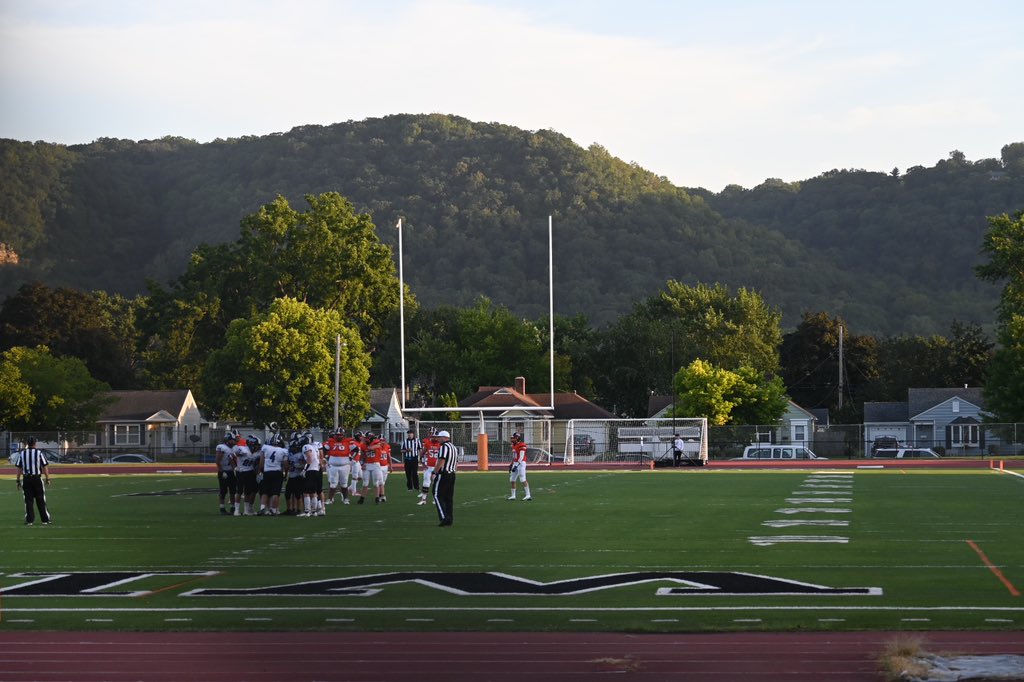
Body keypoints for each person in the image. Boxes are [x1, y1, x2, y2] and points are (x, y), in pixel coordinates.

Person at [15, 436, 52, 525]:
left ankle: (29, 520)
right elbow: (44, 466)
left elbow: (19, 468)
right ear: (35, 443)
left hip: (26, 479)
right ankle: (45, 520)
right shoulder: (39, 453)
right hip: (37, 478)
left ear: (27, 443)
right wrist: (47, 478)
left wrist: (17, 480)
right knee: (41, 499)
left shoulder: (22, 454)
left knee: (28, 500)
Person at [432, 430, 459, 527]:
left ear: (444, 438)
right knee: (448, 498)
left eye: (439, 437)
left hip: (443, 474)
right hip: (452, 474)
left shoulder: (444, 447)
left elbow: (441, 460)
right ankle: (450, 519)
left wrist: (434, 471)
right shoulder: (454, 447)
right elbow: (456, 462)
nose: (438, 439)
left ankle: (444, 517)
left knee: (437, 495)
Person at [257, 434, 287, 515]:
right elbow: (285, 464)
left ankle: (262, 508)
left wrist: (261, 470)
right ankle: (273, 510)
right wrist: (286, 473)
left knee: (265, 492)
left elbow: (261, 462)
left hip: (266, 472)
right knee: (275, 493)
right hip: (277, 472)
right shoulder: (283, 451)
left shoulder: (265, 447)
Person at [234, 436, 261, 516]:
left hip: (250, 473)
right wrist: (235, 467)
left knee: (248, 492)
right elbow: (232, 455)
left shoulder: (257, 452)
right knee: (239, 491)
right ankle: (236, 510)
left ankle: (246, 510)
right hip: (241, 472)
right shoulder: (243, 449)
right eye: (256, 445)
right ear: (251, 444)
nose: (258, 447)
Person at [215, 433, 238, 515]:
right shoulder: (222, 447)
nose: (234, 441)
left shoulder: (234, 448)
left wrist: (235, 469)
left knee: (233, 491)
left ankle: (232, 508)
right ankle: (222, 508)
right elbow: (217, 461)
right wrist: (222, 471)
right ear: (228, 440)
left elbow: (234, 461)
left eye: (234, 440)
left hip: (231, 472)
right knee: (223, 490)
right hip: (224, 472)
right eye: (232, 440)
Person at [418, 429, 441, 506]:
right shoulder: (428, 443)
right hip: (429, 467)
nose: (435, 438)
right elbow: (421, 454)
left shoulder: (441, 445)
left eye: (436, 437)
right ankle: (423, 500)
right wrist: (423, 464)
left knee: (437, 484)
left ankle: (436, 499)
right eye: (433, 436)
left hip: (437, 468)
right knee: (426, 483)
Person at [507, 432, 532, 501]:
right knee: (512, 479)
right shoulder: (514, 445)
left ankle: (528, 495)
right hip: (515, 463)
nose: (512, 439)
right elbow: (514, 456)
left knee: (522, 479)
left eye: (513, 438)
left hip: (521, 463)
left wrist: (516, 465)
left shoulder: (522, 445)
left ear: (517, 438)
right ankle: (513, 496)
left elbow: (521, 457)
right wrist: (511, 464)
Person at [401, 428, 421, 493]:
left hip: (414, 458)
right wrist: (407, 450)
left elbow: (420, 449)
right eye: (408, 434)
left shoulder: (417, 441)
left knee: (415, 473)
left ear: (413, 434)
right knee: (408, 474)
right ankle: (410, 487)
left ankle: (417, 487)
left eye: (411, 434)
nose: (409, 435)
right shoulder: (404, 441)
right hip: (407, 459)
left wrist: (420, 458)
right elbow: (401, 450)